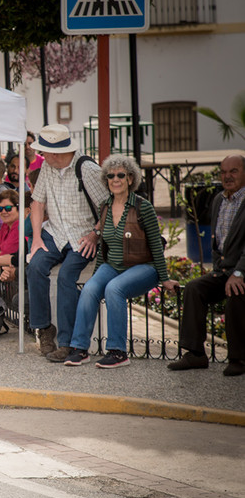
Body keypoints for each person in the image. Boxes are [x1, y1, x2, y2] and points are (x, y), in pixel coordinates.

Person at [63, 156, 168, 368]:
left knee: (114, 289)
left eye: (121, 175)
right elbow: (104, 245)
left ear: (130, 179)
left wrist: (164, 279)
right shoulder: (105, 206)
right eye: (111, 176)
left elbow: (157, 245)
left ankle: (118, 352)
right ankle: (80, 349)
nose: (115, 179)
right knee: (90, 289)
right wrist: (96, 276)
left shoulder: (142, 207)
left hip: (143, 266)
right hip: (113, 266)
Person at [27, 124, 107, 362]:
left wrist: (95, 234)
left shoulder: (88, 169)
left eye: (45, 152)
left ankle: (68, 342)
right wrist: (37, 239)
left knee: (66, 277)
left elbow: (107, 206)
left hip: (83, 236)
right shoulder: (47, 168)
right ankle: (44, 328)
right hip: (55, 233)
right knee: (35, 266)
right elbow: (37, 203)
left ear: (55, 152)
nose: (42, 156)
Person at [166, 155, 245, 377]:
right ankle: (195, 354)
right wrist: (219, 266)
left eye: (234, 171)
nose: (227, 176)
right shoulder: (219, 199)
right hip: (225, 271)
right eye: (223, 172)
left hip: (242, 272)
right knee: (194, 288)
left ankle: (238, 358)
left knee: (236, 294)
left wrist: (239, 272)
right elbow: (217, 240)